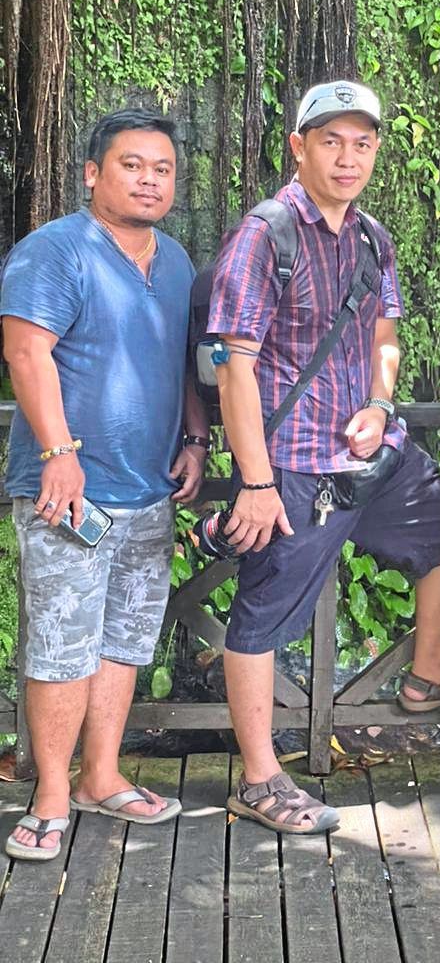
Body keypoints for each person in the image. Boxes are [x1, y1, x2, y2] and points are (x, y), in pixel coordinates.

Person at [207, 78, 440, 835]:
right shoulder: (265, 236)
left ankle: (428, 671)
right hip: (296, 467)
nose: (348, 157)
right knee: (262, 620)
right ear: (299, 147)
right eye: (331, 141)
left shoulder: (373, 237)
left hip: (371, 457)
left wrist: (379, 403)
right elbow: (234, 364)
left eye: (362, 143)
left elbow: (384, 335)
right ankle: (260, 778)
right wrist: (254, 479)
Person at [1, 108, 208, 860]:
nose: (150, 179)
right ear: (93, 173)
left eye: (162, 168)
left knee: (124, 641)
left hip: (150, 489)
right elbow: (27, 353)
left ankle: (101, 776)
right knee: (61, 646)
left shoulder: (178, 261)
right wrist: (60, 449)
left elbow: (187, 360)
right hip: (69, 495)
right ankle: (50, 796)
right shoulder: (54, 252)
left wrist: (193, 435)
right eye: (132, 165)